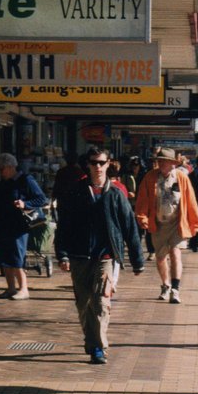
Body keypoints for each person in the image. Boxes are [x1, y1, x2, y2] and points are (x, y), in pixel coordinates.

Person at [55, 147, 144, 365]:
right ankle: (91, 339)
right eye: (93, 163)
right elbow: (64, 226)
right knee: (84, 304)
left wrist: (137, 260)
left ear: (108, 164)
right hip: (79, 256)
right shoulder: (75, 192)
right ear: (88, 164)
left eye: (101, 163)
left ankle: (98, 347)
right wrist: (63, 255)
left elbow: (129, 227)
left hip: (105, 256)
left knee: (101, 302)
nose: (97, 167)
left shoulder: (115, 194)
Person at [134, 147, 198, 304]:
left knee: (175, 252)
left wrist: (195, 221)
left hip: (177, 223)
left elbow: (190, 200)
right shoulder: (150, 177)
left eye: (168, 162)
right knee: (160, 257)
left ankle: (175, 289)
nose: (165, 165)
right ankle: (165, 285)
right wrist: (142, 217)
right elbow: (142, 199)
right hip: (158, 224)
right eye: (161, 162)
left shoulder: (182, 178)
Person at [0, 153, 48, 300]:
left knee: (17, 256)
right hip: (3, 223)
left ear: (11, 167)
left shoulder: (26, 180)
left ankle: (24, 289)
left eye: (1, 169)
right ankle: (11, 288)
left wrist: (25, 204)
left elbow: (42, 199)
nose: (0, 172)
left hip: (19, 226)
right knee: (4, 256)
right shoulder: (3, 184)